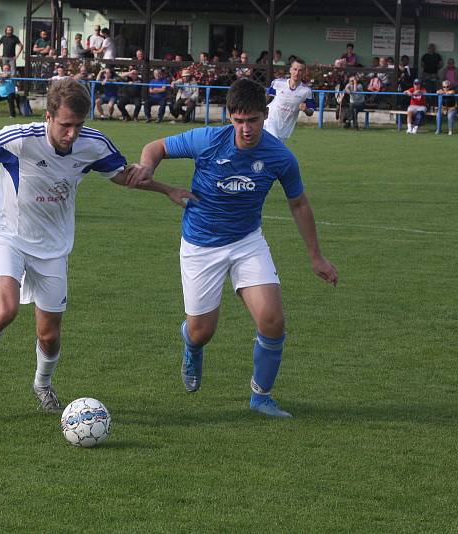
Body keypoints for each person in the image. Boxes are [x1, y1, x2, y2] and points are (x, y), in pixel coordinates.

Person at [0, 78, 189, 412]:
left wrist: (167, 189)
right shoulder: (20, 139)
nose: (72, 134)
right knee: (5, 310)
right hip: (8, 236)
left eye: (78, 126)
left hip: (53, 246)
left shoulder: (93, 144)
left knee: (49, 334)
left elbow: (121, 175)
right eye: (65, 126)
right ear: (49, 117)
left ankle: (42, 385)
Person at [129, 78, 338, 418]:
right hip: (201, 245)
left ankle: (261, 397)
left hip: (247, 242)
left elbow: (298, 203)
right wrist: (148, 169)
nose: (246, 129)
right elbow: (156, 147)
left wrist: (316, 256)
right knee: (202, 332)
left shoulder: (280, 156)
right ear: (229, 117)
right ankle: (191, 343)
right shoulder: (208, 139)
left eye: (253, 120)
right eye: (239, 120)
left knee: (272, 320)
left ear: (264, 114)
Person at [264, 59, 316, 142]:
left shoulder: (306, 91)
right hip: (270, 121)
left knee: (274, 151)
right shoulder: (277, 83)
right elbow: (267, 98)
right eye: (295, 69)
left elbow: (311, 112)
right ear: (290, 70)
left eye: (300, 70)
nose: (297, 73)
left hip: (285, 129)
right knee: (271, 144)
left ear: (303, 73)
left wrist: (306, 109)